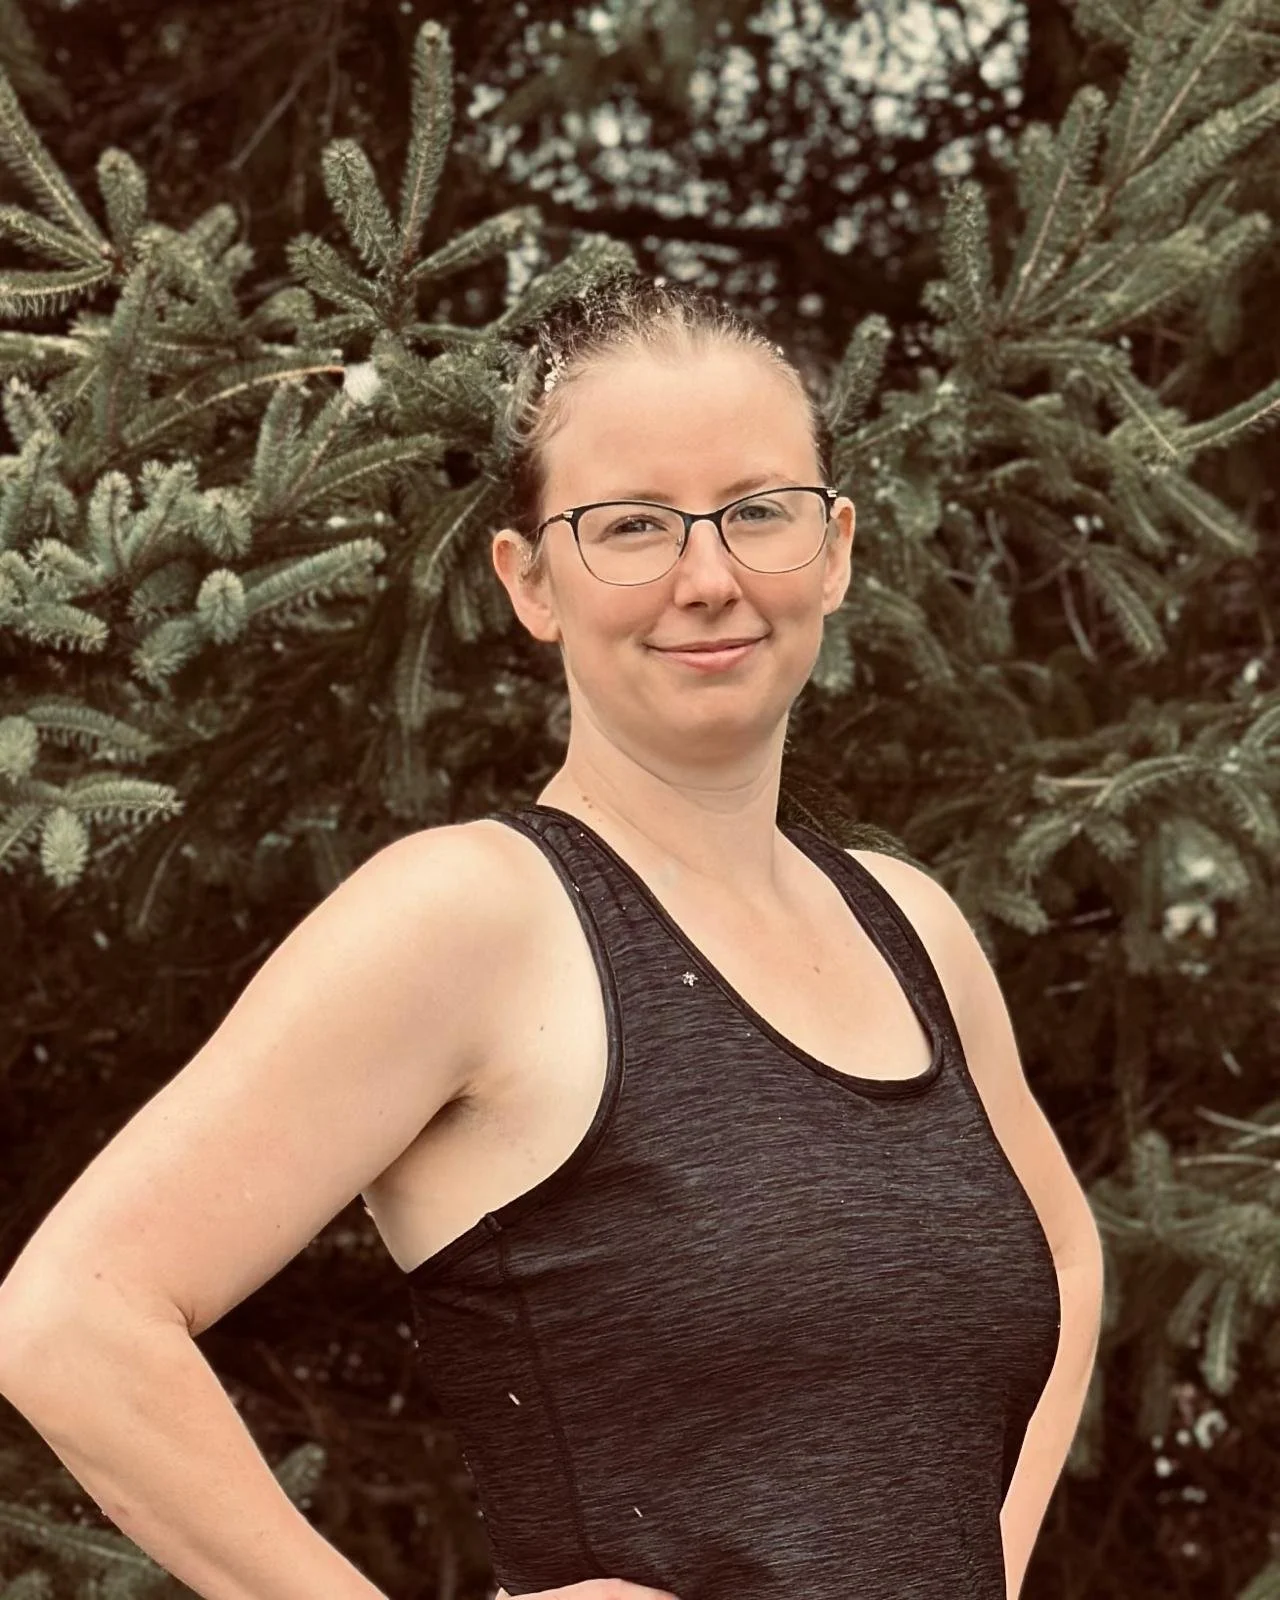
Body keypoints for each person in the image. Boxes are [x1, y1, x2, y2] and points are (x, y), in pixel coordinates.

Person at [0, 273, 1093, 1600]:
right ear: (530, 582)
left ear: (836, 548)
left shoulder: (910, 929)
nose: (709, 578)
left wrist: (991, 1564)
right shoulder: (471, 919)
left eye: (759, 512)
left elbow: (1064, 1257)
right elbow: (71, 1320)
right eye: (632, 526)